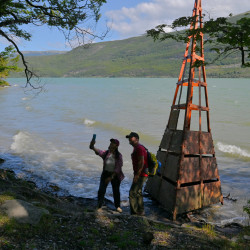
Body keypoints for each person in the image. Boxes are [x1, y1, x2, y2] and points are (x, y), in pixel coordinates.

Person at [89, 138, 124, 212]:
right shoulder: (106, 153)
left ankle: (117, 206)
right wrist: (92, 145)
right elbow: (96, 150)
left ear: (116, 146)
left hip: (115, 175)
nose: (111, 144)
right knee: (101, 190)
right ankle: (99, 206)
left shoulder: (119, 156)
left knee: (116, 191)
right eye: (111, 142)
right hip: (105, 173)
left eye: (113, 143)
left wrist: (111, 177)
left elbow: (118, 169)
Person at [126, 132, 148, 215]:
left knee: (132, 193)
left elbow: (141, 162)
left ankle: (134, 213)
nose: (129, 140)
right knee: (138, 192)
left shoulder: (139, 148)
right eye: (129, 138)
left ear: (137, 139)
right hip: (142, 174)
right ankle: (141, 211)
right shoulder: (137, 147)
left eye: (131, 138)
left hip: (141, 174)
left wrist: (137, 175)